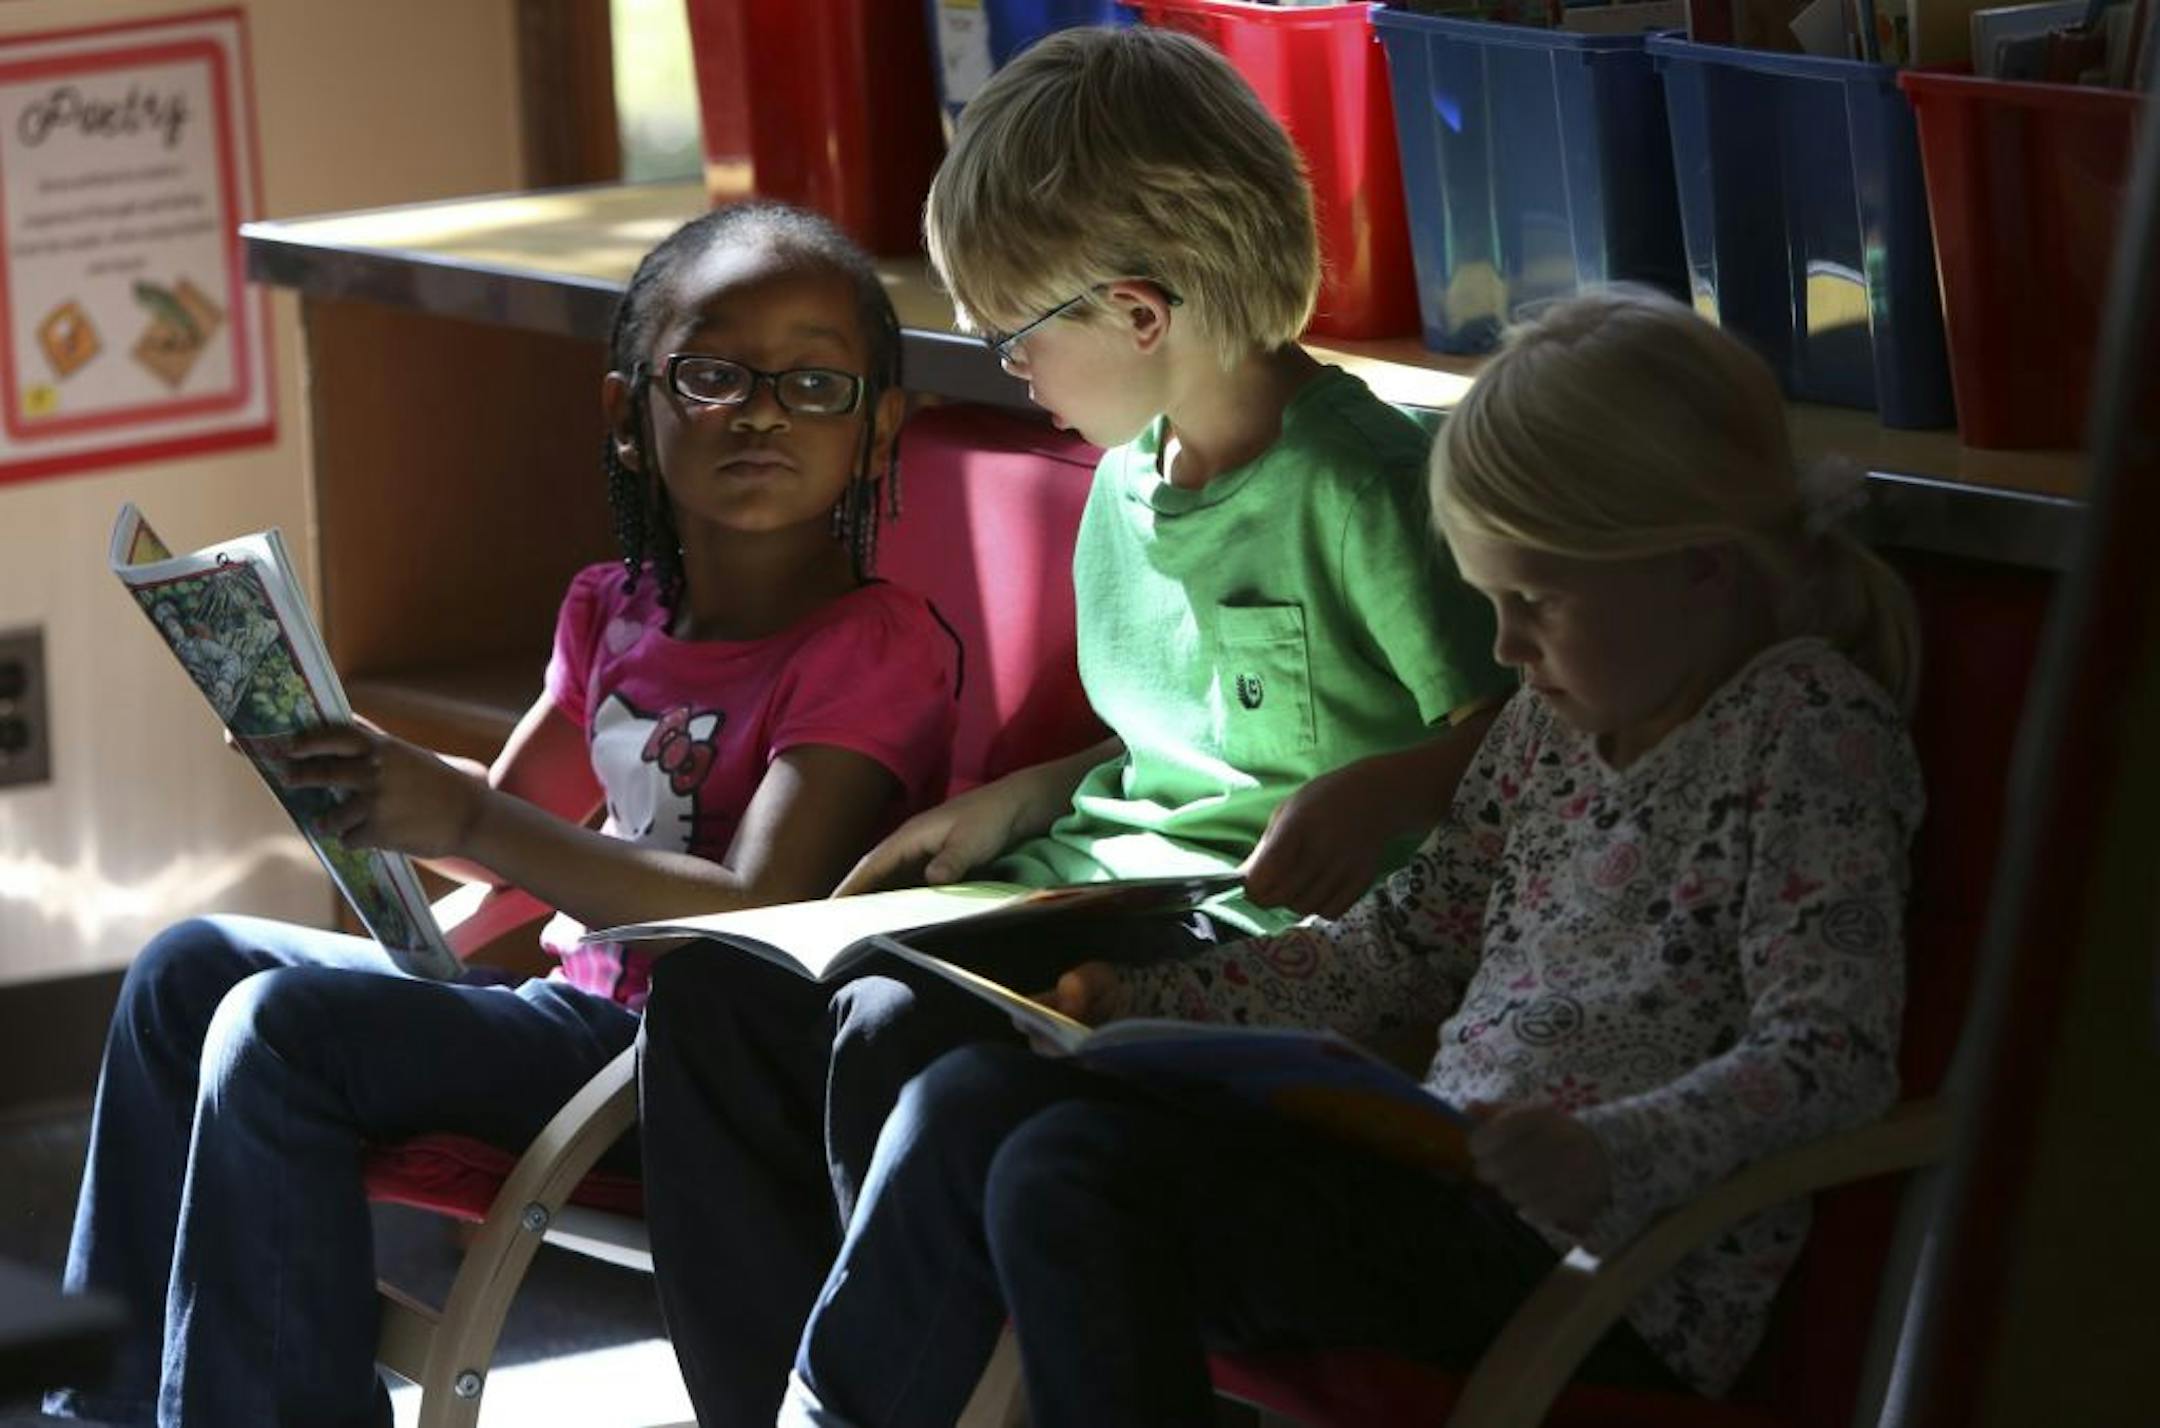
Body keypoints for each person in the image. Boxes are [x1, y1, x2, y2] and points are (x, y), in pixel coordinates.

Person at [780, 285, 1930, 1427]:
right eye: (1490, 599)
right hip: (1438, 1189)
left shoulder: (1809, 732)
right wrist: (1136, 1005)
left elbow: (1830, 1057)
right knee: (970, 1095)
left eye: (1536, 601)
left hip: (1603, 1268)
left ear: (1699, 564)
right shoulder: (1549, 729)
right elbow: (1397, 950)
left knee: (1070, 1176)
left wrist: (1607, 1153)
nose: (1506, 647)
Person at [638, 26, 1511, 1427]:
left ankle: (911, 1400)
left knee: (890, 1020)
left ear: (1138, 314)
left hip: (1259, 938)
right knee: (715, 999)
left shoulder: (1364, 488)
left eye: (1018, 336)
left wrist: (1393, 788)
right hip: (1092, 886)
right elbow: (1199, 734)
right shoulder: (1124, 479)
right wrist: (1032, 792)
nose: (1013, 370)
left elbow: (1523, 742)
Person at [43, 199, 960, 1428]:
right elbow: (517, 836)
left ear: (878, 428)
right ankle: (96, 1409)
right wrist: (365, 777)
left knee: (280, 1030)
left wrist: (467, 820)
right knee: (188, 966)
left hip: (679, 1082)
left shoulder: (874, 647)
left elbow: (758, 912)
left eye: (813, 384)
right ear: (626, 415)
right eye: (711, 376)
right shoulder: (616, 608)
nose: (760, 412)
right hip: (566, 1018)